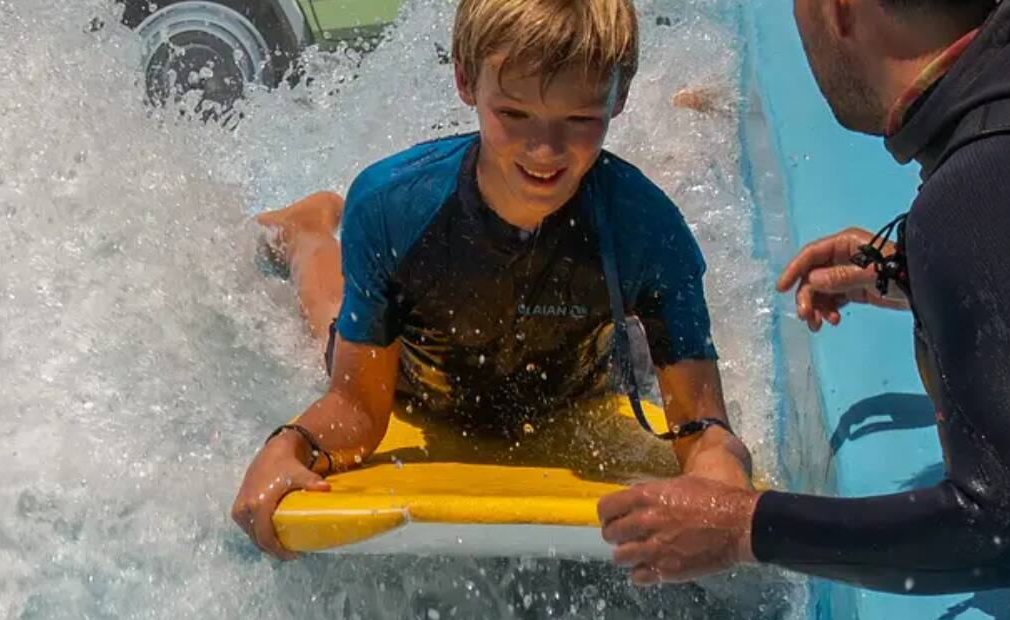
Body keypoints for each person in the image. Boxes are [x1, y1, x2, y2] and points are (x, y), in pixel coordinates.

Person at [231, 0, 755, 560]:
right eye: (513, 114)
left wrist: (721, 479)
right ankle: (305, 228)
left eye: (580, 120)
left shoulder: (652, 230)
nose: (545, 151)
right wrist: (290, 444)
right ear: (464, 79)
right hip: (418, 378)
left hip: (573, 383)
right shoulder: (393, 207)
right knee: (329, 319)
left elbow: (701, 427)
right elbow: (357, 410)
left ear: (618, 97)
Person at [598, 0, 1010, 620]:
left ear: (838, 11)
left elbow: (1009, 526)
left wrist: (743, 528)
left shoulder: (984, 194)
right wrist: (933, 278)